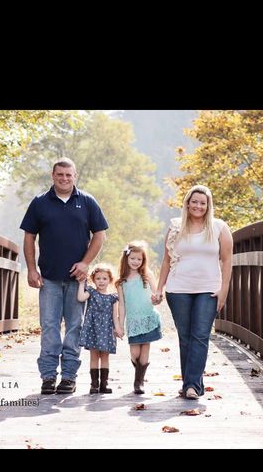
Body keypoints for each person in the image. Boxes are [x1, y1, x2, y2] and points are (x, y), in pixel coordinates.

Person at [20, 157, 108, 395]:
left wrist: (86, 262)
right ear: (53, 175)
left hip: (77, 281)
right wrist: (31, 268)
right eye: (60, 174)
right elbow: (29, 237)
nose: (64, 178)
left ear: (75, 176)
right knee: (49, 327)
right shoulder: (40, 203)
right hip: (48, 278)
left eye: (69, 175)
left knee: (74, 328)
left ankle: (69, 376)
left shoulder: (87, 201)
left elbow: (99, 234)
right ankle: (48, 376)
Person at [153, 184, 233, 400]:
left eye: (202, 203)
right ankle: (193, 384)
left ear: (208, 206)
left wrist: (224, 290)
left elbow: (227, 261)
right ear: (187, 203)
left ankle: (191, 386)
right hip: (179, 288)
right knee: (186, 337)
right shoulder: (176, 227)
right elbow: (167, 261)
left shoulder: (219, 227)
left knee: (200, 336)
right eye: (194, 201)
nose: (198, 206)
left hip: (208, 289)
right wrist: (160, 288)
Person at [116, 241, 162, 395]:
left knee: (145, 349)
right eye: (133, 258)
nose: (136, 262)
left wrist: (157, 298)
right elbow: (122, 305)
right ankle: (139, 374)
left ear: (143, 261)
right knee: (134, 353)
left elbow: (156, 293)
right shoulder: (122, 281)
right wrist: (120, 325)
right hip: (133, 321)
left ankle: (139, 382)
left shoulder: (146, 275)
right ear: (126, 259)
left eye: (139, 259)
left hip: (148, 317)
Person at [78, 264, 123, 395]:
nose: (101, 281)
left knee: (104, 356)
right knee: (93, 356)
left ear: (110, 280)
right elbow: (80, 298)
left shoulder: (112, 297)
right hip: (93, 328)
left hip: (107, 330)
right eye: (98, 278)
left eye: (104, 278)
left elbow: (115, 316)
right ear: (93, 279)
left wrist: (118, 328)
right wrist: (81, 283)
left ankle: (104, 384)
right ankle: (94, 384)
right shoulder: (91, 292)